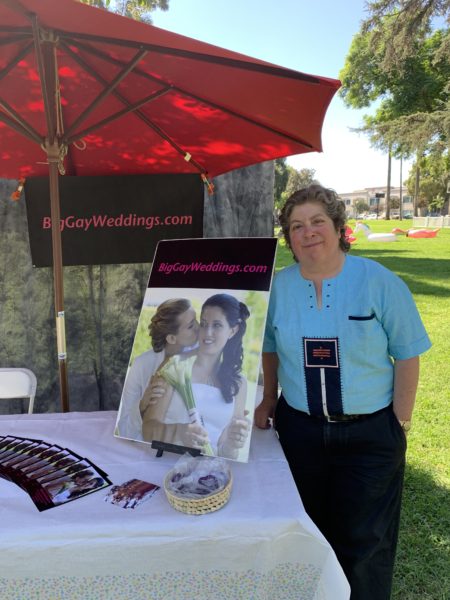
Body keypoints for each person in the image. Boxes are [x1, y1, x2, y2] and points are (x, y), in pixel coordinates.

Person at [254, 184, 431, 600]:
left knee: (365, 542)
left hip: (370, 435)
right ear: (289, 238)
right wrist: (267, 397)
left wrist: (399, 421)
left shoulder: (379, 282)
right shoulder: (277, 288)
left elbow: (408, 355)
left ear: (338, 227)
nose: (308, 232)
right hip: (301, 432)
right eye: (297, 226)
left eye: (318, 221)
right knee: (308, 533)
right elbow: (267, 347)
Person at [143, 293, 251, 459]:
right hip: (167, 461)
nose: (207, 332)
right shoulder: (174, 365)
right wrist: (178, 433)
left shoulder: (239, 383)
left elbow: (226, 453)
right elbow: (147, 428)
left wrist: (232, 443)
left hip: (208, 472)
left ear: (232, 331)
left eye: (217, 325)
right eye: (204, 323)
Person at [116, 298, 199, 440]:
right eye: (191, 326)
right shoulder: (141, 365)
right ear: (172, 338)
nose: (199, 327)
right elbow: (124, 431)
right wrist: (142, 406)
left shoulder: (205, 358)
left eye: (196, 320)